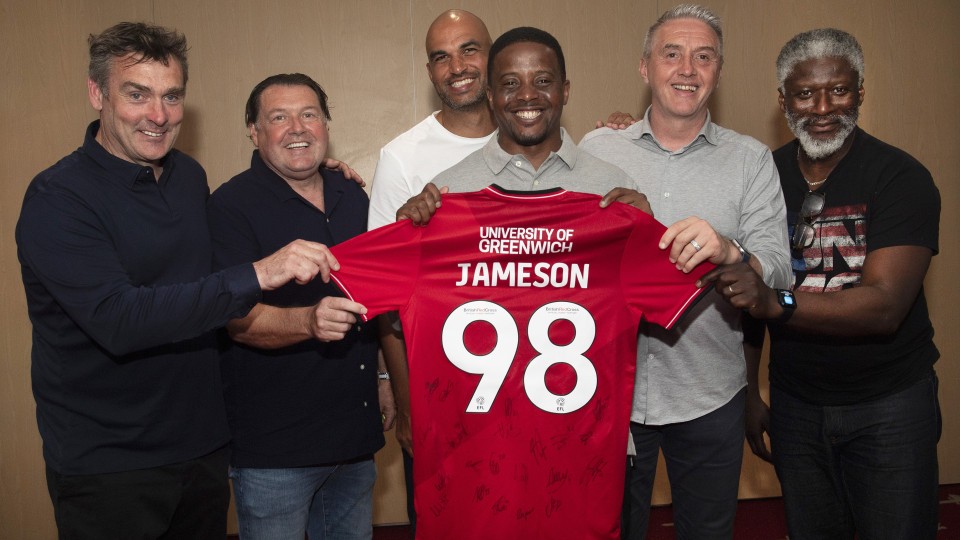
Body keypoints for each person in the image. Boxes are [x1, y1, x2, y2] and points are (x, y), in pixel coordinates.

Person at [336, 27, 711, 539]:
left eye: (543, 81)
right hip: (474, 452)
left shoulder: (613, 192)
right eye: (510, 83)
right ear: (491, 95)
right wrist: (411, 235)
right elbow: (377, 302)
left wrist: (648, 230)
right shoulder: (445, 196)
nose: (527, 95)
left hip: (585, 452)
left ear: (566, 90)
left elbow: (682, 286)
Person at [15, 23, 343, 538]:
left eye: (171, 96)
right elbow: (120, 320)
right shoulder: (59, 198)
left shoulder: (187, 176)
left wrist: (312, 172)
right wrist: (258, 274)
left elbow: (210, 268)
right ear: (97, 94)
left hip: (202, 448)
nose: (159, 115)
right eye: (137, 95)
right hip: (110, 464)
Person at [700, 28, 942, 539]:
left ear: (861, 91)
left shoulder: (900, 176)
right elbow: (745, 297)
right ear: (783, 100)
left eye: (839, 90)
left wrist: (777, 301)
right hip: (796, 403)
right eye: (806, 93)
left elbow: (884, 307)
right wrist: (751, 393)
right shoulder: (763, 175)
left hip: (889, 405)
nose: (823, 107)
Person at [579, 5, 792, 539]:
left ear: (718, 71)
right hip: (609, 392)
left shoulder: (750, 159)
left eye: (704, 57)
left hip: (710, 392)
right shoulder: (597, 148)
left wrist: (731, 250)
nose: (687, 70)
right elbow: (566, 256)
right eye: (671, 54)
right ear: (644, 67)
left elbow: (779, 270)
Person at [206, 73, 394, 539]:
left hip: (353, 441)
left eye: (309, 114)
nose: (297, 128)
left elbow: (374, 298)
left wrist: (383, 376)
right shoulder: (229, 206)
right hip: (276, 453)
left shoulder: (352, 194)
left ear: (326, 124)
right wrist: (309, 320)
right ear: (254, 132)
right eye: (279, 117)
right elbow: (237, 321)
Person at [367, 10, 496, 532]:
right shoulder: (402, 157)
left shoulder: (534, 134)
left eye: (469, 49)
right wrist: (406, 402)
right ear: (429, 71)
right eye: (441, 57)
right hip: (440, 394)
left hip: (530, 382)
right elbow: (385, 296)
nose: (457, 66)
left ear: (493, 55)